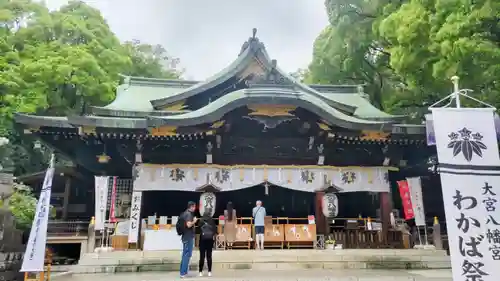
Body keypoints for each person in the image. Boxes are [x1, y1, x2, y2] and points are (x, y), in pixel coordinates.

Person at [179, 201, 197, 278]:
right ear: (191, 206)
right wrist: (194, 221)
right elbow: (189, 225)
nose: (195, 208)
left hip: (186, 236)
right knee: (187, 254)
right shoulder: (188, 214)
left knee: (185, 254)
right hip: (188, 237)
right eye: (194, 206)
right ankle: (183, 273)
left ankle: (183, 271)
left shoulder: (185, 213)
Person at [198, 211, 216, 277]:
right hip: (209, 241)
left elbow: (198, 230)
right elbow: (214, 230)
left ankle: (200, 271)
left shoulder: (201, 220)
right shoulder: (212, 220)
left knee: (202, 257)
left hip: (202, 241)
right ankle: (209, 271)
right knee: (209, 256)